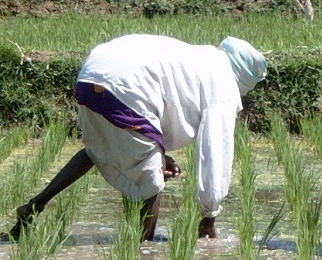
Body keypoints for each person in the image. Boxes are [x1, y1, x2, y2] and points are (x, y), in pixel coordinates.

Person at [1, 34, 267, 242]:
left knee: (99, 149)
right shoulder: (223, 83)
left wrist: (158, 152)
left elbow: (162, 100)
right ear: (243, 81)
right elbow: (215, 153)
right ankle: (142, 251)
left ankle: (33, 207)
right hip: (126, 84)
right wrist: (209, 215)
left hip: (92, 75)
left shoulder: (200, 60)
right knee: (152, 182)